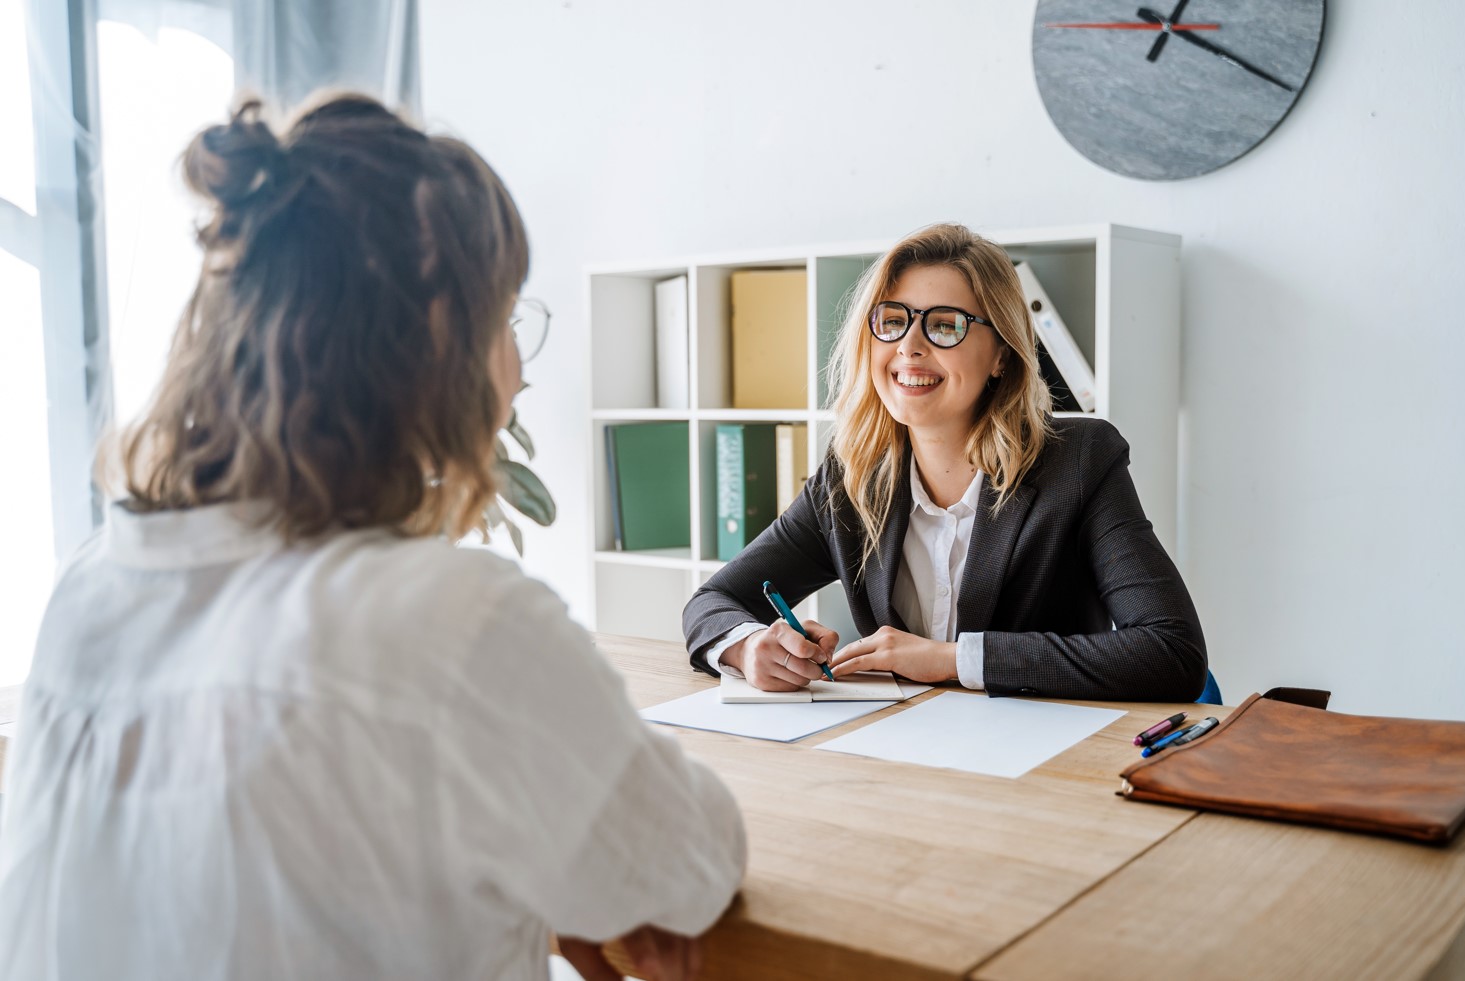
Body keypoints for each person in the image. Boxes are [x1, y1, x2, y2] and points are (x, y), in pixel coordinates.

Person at [0, 95, 744, 981]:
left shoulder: (91, 585)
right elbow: (688, 861)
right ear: (433, 344)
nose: (518, 363)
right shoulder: (455, 622)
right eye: (504, 318)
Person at [683, 223, 1207, 702]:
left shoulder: (1080, 462)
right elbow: (715, 600)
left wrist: (952, 661)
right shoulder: (850, 478)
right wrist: (749, 646)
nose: (909, 347)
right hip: (905, 754)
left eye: (945, 325)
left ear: (1002, 353)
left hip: (1042, 762)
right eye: (892, 321)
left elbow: (1171, 652)